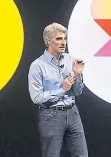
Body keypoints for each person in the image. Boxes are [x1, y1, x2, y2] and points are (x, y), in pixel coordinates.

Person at [28, 22, 88, 157]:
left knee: (81, 154)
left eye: (65, 38)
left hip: (73, 112)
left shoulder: (70, 59)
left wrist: (78, 75)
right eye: (59, 39)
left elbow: (77, 92)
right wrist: (62, 89)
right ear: (48, 41)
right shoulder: (37, 66)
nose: (63, 42)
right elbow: (36, 97)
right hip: (51, 115)